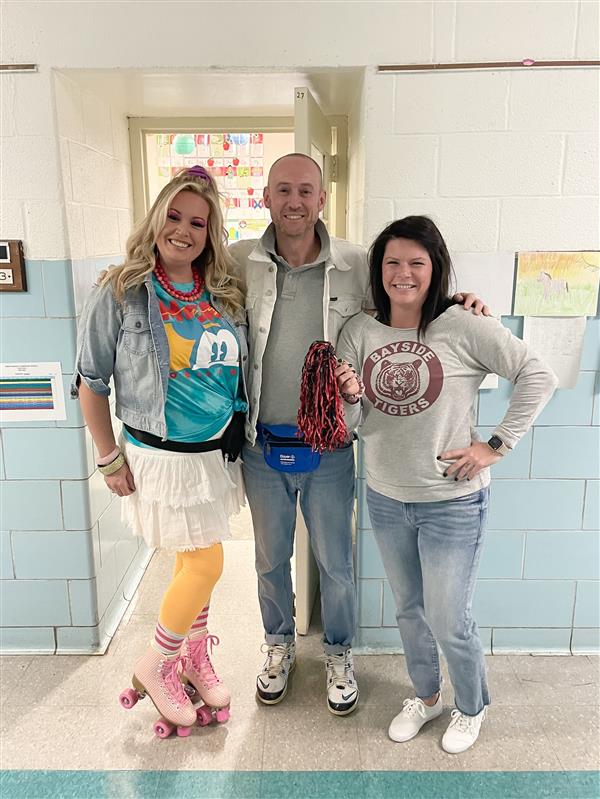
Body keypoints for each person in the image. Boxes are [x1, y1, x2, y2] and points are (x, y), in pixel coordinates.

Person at [229, 154, 489, 716]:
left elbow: (408, 295)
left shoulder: (354, 263)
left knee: (336, 563)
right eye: (282, 191)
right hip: (261, 446)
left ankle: (338, 654)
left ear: (322, 198)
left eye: (305, 190)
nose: (294, 201)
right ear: (266, 198)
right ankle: (277, 647)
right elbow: (183, 280)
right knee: (269, 560)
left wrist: (459, 304)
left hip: (329, 448)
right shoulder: (237, 261)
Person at [336, 216, 557, 750]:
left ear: (435, 269)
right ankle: (428, 696)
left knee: (447, 616)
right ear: (378, 269)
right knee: (408, 610)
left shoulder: (461, 323)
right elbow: (351, 427)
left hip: (453, 503)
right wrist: (348, 396)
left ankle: (470, 705)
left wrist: (495, 446)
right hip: (386, 497)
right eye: (392, 262)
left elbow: (538, 375)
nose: (403, 273)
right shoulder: (359, 332)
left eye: (416, 262)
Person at [73, 166, 248, 736]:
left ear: (210, 231)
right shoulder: (121, 290)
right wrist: (107, 456)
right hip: (160, 457)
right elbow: (90, 381)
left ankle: (194, 658)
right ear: (155, 217)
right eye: (174, 216)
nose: (184, 230)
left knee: (188, 559)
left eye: (198, 222)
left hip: (210, 454)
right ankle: (160, 662)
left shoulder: (220, 290)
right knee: (207, 562)